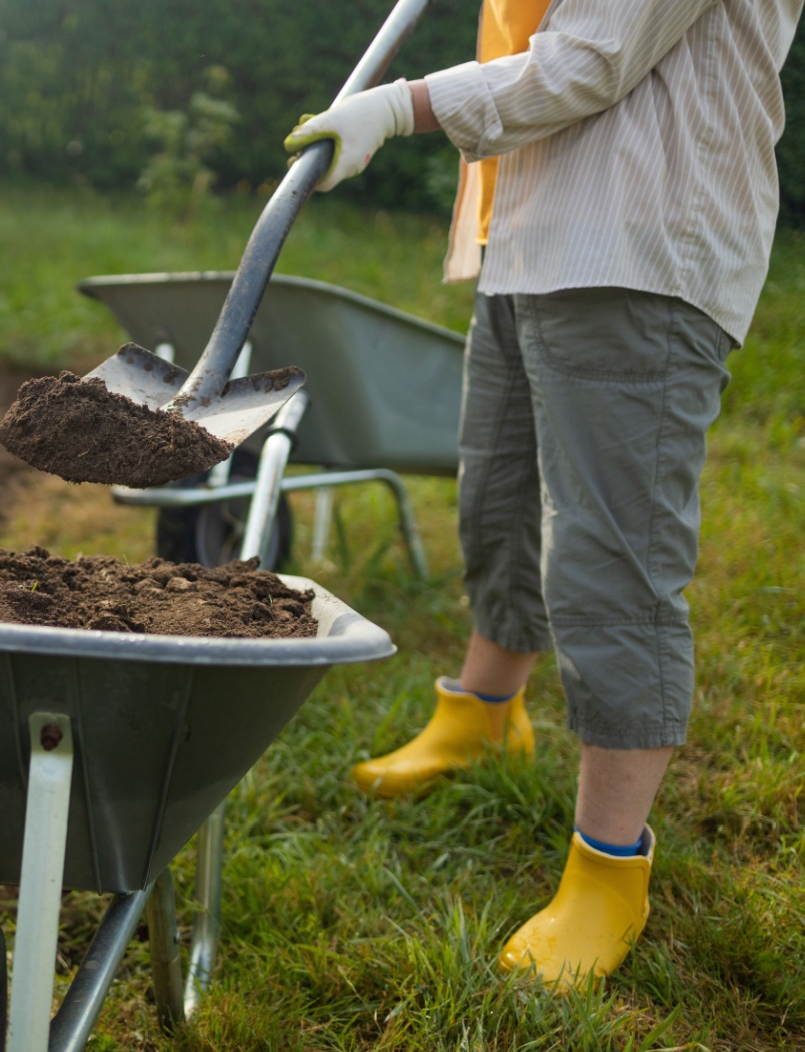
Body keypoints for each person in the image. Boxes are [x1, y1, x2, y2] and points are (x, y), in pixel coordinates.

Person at [283, 0, 802, 990]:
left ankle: (607, 868)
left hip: (639, 248)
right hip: (530, 236)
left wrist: (397, 107)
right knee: (496, 499)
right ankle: (483, 713)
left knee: (611, 562)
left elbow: (586, 63)